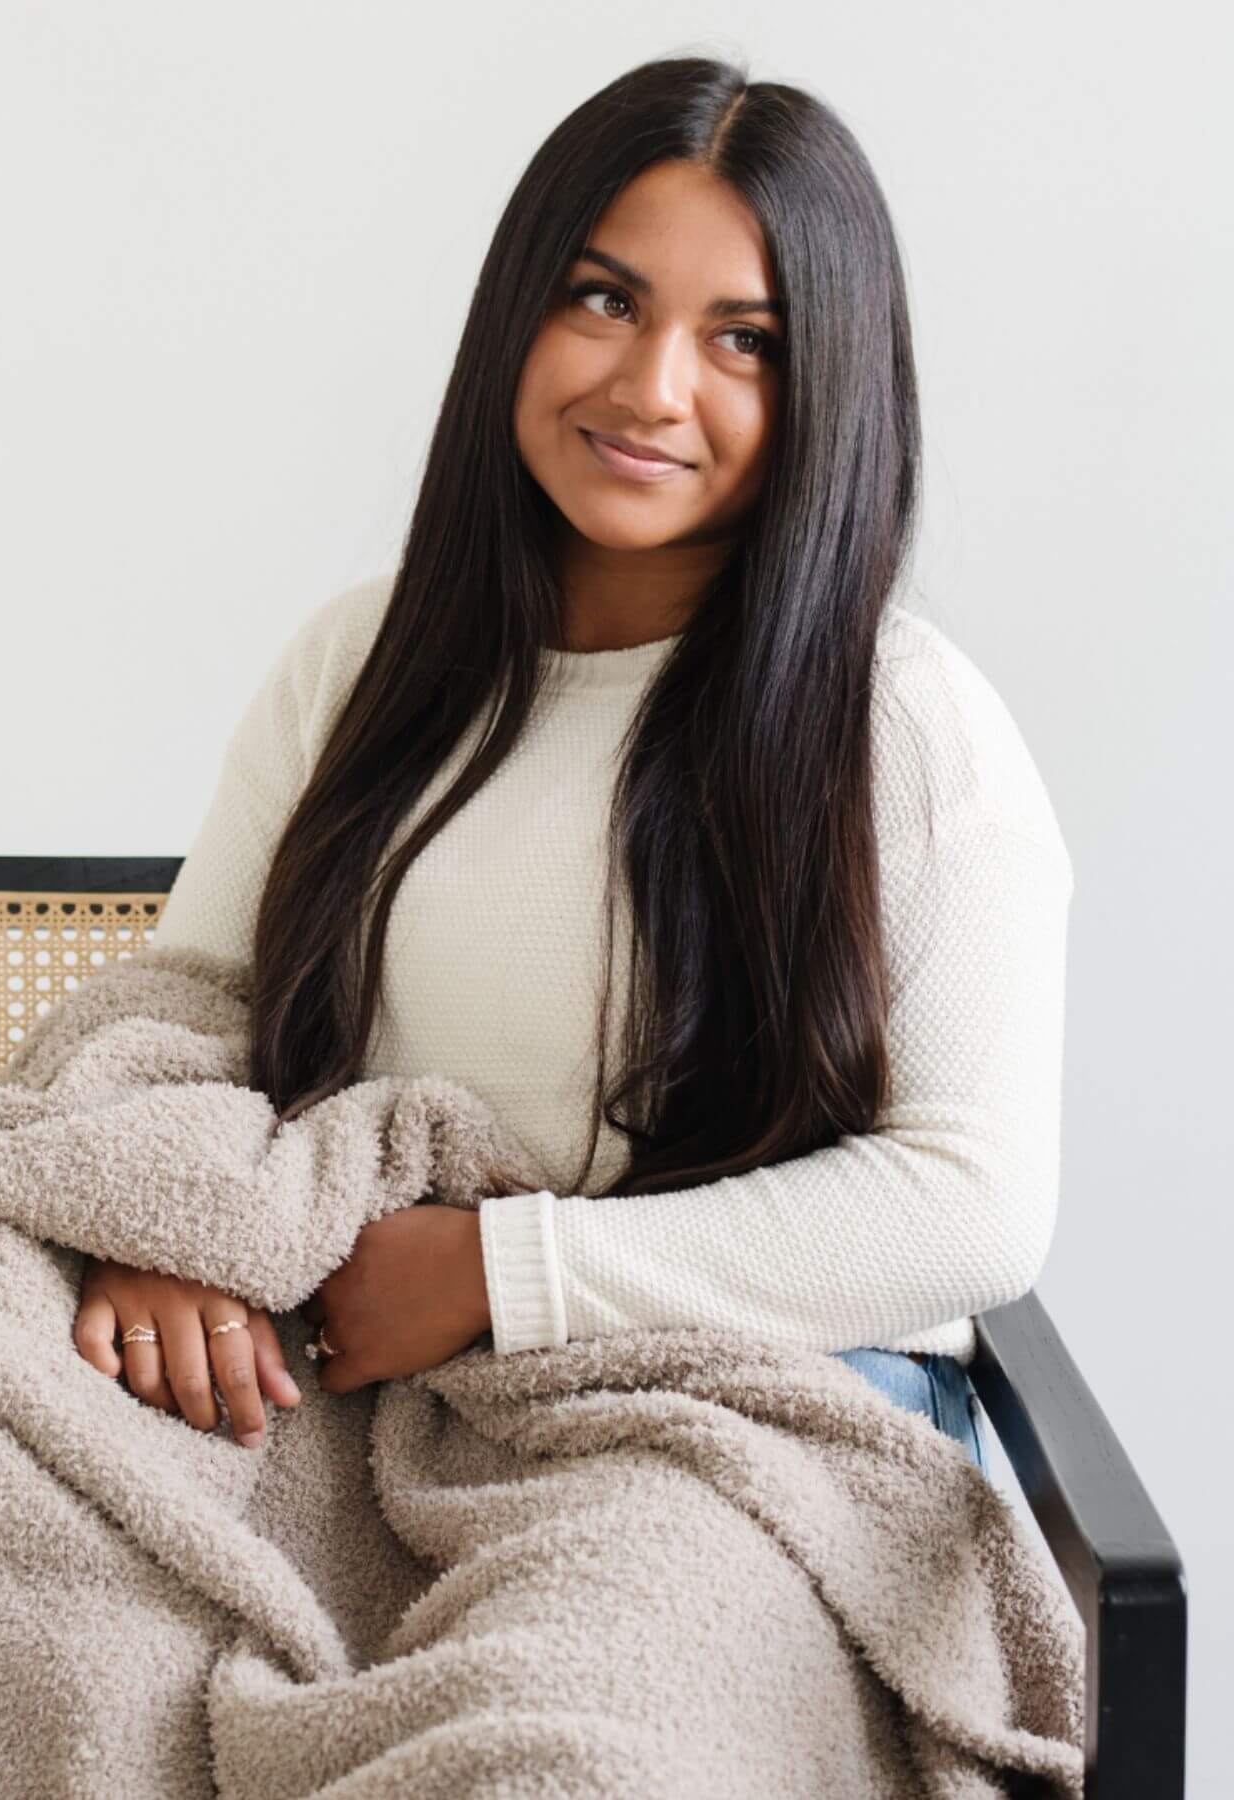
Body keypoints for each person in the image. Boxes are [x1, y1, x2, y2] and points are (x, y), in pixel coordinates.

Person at [73, 54, 1073, 1492]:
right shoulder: (358, 659)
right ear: (516, 313)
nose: (653, 388)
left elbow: (969, 1209)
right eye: (604, 298)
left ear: (828, 385)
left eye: (746, 339)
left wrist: (506, 1272)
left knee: (559, 1709)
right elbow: (187, 1013)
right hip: (355, 1389)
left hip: (764, 1412)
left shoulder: (906, 723)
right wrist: (151, 1225)